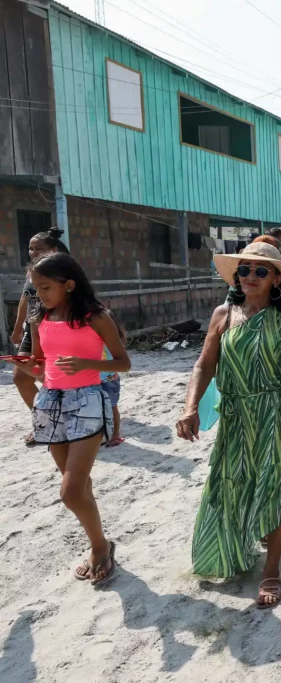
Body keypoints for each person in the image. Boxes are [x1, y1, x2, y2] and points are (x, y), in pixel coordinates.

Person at [176, 242, 281, 608]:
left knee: (275, 488)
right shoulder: (223, 315)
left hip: (280, 417)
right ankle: (237, 548)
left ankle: (271, 570)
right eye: (244, 269)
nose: (250, 276)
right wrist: (190, 407)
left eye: (260, 271)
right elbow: (203, 366)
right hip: (236, 418)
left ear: (276, 279)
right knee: (232, 486)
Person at [5, 253, 130, 585]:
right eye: (35, 288)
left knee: (70, 492)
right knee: (80, 486)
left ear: (69, 285)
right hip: (50, 403)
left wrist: (90, 366)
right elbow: (44, 367)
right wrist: (24, 366)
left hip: (87, 401)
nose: (39, 294)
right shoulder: (40, 318)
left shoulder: (96, 317)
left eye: (45, 287)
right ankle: (99, 545)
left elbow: (123, 363)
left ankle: (101, 547)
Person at [11, 227, 69, 445]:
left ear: (53, 249)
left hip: (57, 329)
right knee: (20, 376)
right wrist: (18, 327)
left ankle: (71, 416)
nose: (33, 253)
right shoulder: (31, 271)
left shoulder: (64, 270)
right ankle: (42, 422)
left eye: (39, 249)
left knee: (55, 377)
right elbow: (25, 298)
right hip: (32, 329)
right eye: (30, 249)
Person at [101, 313, 128, 448]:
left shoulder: (113, 341)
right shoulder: (92, 337)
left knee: (112, 407)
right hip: (92, 379)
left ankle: (115, 434)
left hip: (109, 379)